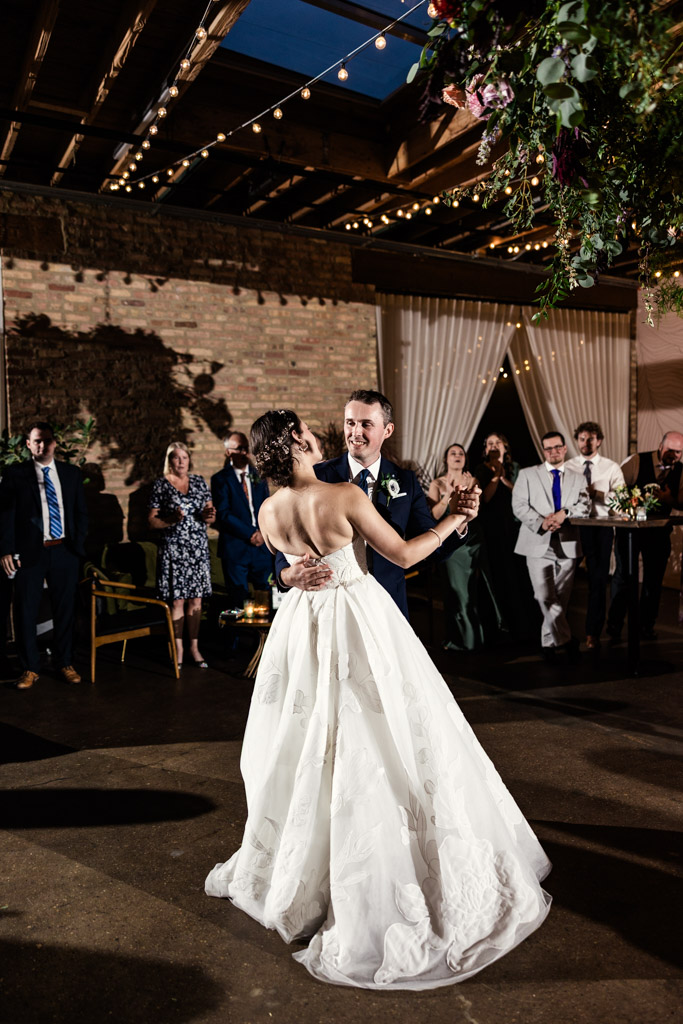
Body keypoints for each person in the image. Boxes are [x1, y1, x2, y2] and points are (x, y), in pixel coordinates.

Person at [206, 409, 551, 989]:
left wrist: (290, 578)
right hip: (358, 623)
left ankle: (307, 868)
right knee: (379, 735)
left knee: (313, 737)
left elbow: (282, 563)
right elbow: (406, 556)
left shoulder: (269, 509)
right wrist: (457, 521)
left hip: (304, 631)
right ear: (295, 443)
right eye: (313, 436)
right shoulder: (341, 496)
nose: (324, 440)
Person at [276, 390, 474, 619]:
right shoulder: (316, 476)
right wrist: (288, 576)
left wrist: (459, 520)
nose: (355, 432)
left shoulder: (406, 482)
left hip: (388, 608)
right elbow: (286, 540)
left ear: (387, 430)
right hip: (330, 609)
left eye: (366, 424)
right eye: (350, 423)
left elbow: (432, 550)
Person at [0, 421, 88, 689]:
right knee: (26, 610)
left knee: (65, 610)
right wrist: (5, 550)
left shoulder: (71, 474)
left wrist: (78, 545)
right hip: (29, 553)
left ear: (54, 443)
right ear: (28, 445)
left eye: (46, 440)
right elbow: (5, 515)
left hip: (64, 551)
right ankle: (30, 669)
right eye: (36, 441)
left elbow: (80, 513)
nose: (42, 445)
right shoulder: (15, 474)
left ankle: (65, 662)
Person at [512, 432, 590, 660]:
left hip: (568, 543)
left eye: (557, 447)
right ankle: (566, 639)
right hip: (537, 541)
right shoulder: (527, 475)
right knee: (544, 596)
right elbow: (518, 505)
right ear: (542, 450)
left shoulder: (578, 477)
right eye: (548, 448)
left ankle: (550, 643)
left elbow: (584, 505)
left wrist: (564, 514)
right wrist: (542, 522)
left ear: (565, 449)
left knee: (561, 599)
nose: (553, 452)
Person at [607, 430, 683, 641]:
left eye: (678, 452)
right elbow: (615, 490)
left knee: (653, 580)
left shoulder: (681, 471)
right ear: (661, 447)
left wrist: (669, 500)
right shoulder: (636, 462)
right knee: (623, 576)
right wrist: (627, 507)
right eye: (670, 450)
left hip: (659, 533)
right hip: (630, 531)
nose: (674, 456)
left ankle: (645, 626)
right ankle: (614, 626)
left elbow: (681, 503)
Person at [428, 443, 503, 650]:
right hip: (450, 541)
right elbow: (434, 515)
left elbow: (484, 500)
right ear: (446, 459)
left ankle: (475, 639)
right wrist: (448, 495)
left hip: (473, 539)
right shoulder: (437, 483)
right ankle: (461, 639)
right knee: (455, 591)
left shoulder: (472, 480)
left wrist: (492, 479)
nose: (457, 456)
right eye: (453, 453)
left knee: (474, 590)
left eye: (461, 453)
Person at [148, 442, 215, 667]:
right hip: (174, 549)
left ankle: (195, 648)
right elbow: (152, 521)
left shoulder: (198, 481)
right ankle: (178, 650)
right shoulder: (161, 485)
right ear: (170, 461)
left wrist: (208, 514)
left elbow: (210, 516)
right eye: (176, 457)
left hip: (197, 548)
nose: (181, 462)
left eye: (184, 457)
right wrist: (170, 520)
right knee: (177, 601)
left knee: (196, 600)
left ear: (189, 460)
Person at [565, 421, 624, 648]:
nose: (586, 443)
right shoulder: (568, 466)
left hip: (601, 527)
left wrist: (598, 494)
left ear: (599, 440)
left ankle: (593, 633)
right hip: (573, 526)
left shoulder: (611, 467)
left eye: (590, 438)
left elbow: (621, 502)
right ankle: (562, 634)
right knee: (565, 581)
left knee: (597, 582)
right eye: (581, 439)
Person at [474, 432, 532, 635]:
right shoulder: (481, 470)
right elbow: (486, 499)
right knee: (498, 573)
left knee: (518, 573)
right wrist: (495, 477)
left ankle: (523, 622)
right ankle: (499, 623)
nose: (493, 446)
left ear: (505, 447)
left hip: (514, 526)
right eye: (489, 443)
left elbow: (523, 494)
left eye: (497, 442)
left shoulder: (515, 468)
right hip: (492, 527)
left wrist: (503, 477)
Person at [211, 432, 273, 608]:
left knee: (266, 598)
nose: (245, 452)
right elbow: (223, 514)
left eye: (247, 448)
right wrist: (250, 533)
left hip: (261, 548)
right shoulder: (220, 479)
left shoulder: (259, 476)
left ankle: (263, 636)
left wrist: (263, 533)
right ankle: (239, 636)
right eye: (240, 449)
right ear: (228, 452)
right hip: (235, 549)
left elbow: (266, 507)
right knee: (238, 601)